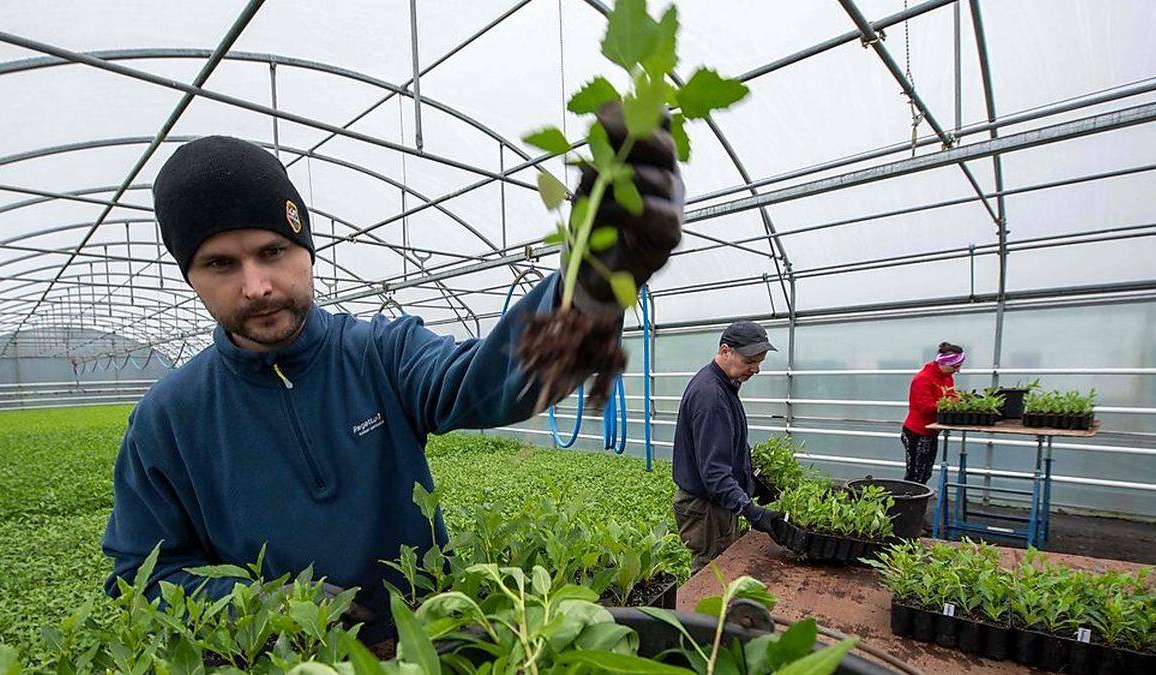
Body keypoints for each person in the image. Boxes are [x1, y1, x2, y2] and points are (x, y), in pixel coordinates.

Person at [101, 108, 683, 642]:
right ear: (191, 276)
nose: (256, 285)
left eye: (273, 251)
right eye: (220, 264)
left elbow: (484, 384)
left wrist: (588, 290)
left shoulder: (379, 353)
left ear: (306, 247)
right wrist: (265, 605)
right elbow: (142, 574)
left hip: (429, 647)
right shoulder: (169, 420)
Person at [671, 321, 782, 573]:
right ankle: (702, 614)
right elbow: (714, 472)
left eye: (760, 361)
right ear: (725, 351)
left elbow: (726, 450)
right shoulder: (711, 396)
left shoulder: (723, 385)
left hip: (716, 504)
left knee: (722, 570)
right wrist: (751, 510)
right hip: (707, 508)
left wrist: (752, 482)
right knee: (711, 575)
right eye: (750, 360)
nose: (756, 369)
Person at [901, 341, 965, 484]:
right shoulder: (922, 379)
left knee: (925, 473)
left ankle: (917, 503)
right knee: (915, 475)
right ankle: (907, 502)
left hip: (931, 432)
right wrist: (950, 404)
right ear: (944, 363)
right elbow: (926, 407)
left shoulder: (947, 377)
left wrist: (960, 401)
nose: (958, 370)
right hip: (916, 433)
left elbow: (951, 396)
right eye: (955, 366)